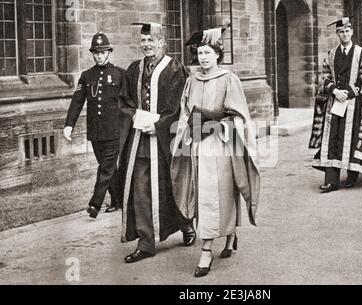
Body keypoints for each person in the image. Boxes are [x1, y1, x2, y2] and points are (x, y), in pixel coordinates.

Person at [171, 27, 260, 277]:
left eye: (208, 52)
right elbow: (185, 113)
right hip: (197, 144)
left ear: (218, 54)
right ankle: (230, 235)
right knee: (203, 194)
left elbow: (239, 115)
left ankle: (206, 250)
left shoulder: (228, 79)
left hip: (220, 144)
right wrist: (187, 132)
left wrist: (216, 125)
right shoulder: (192, 80)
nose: (203, 57)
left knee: (219, 193)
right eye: (200, 52)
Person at [118, 22, 195, 264]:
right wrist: (135, 117)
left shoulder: (174, 69)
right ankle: (146, 242)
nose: (147, 45)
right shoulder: (133, 70)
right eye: (143, 40)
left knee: (170, 186)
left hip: (166, 141)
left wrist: (159, 125)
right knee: (140, 189)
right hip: (140, 140)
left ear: (162, 41)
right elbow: (124, 101)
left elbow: (179, 107)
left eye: (151, 40)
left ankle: (187, 223)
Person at [308, 17, 362, 193]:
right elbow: (324, 77)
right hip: (334, 102)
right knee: (332, 139)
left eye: (347, 31)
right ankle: (331, 181)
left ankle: (352, 175)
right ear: (337, 34)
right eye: (341, 31)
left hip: (354, 103)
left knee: (352, 138)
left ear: (352, 32)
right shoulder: (331, 55)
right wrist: (334, 91)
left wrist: (348, 93)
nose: (345, 34)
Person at [63, 32, 124, 218]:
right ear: (92, 54)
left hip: (114, 131)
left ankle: (94, 204)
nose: (99, 55)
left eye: (103, 52)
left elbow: (129, 100)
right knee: (109, 168)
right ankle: (118, 200)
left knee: (105, 168)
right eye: (96, 52)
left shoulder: (120, 74)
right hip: (96, 132)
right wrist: (69, 125)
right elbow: (77, 101)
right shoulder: (86, 76)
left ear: (109, 52)